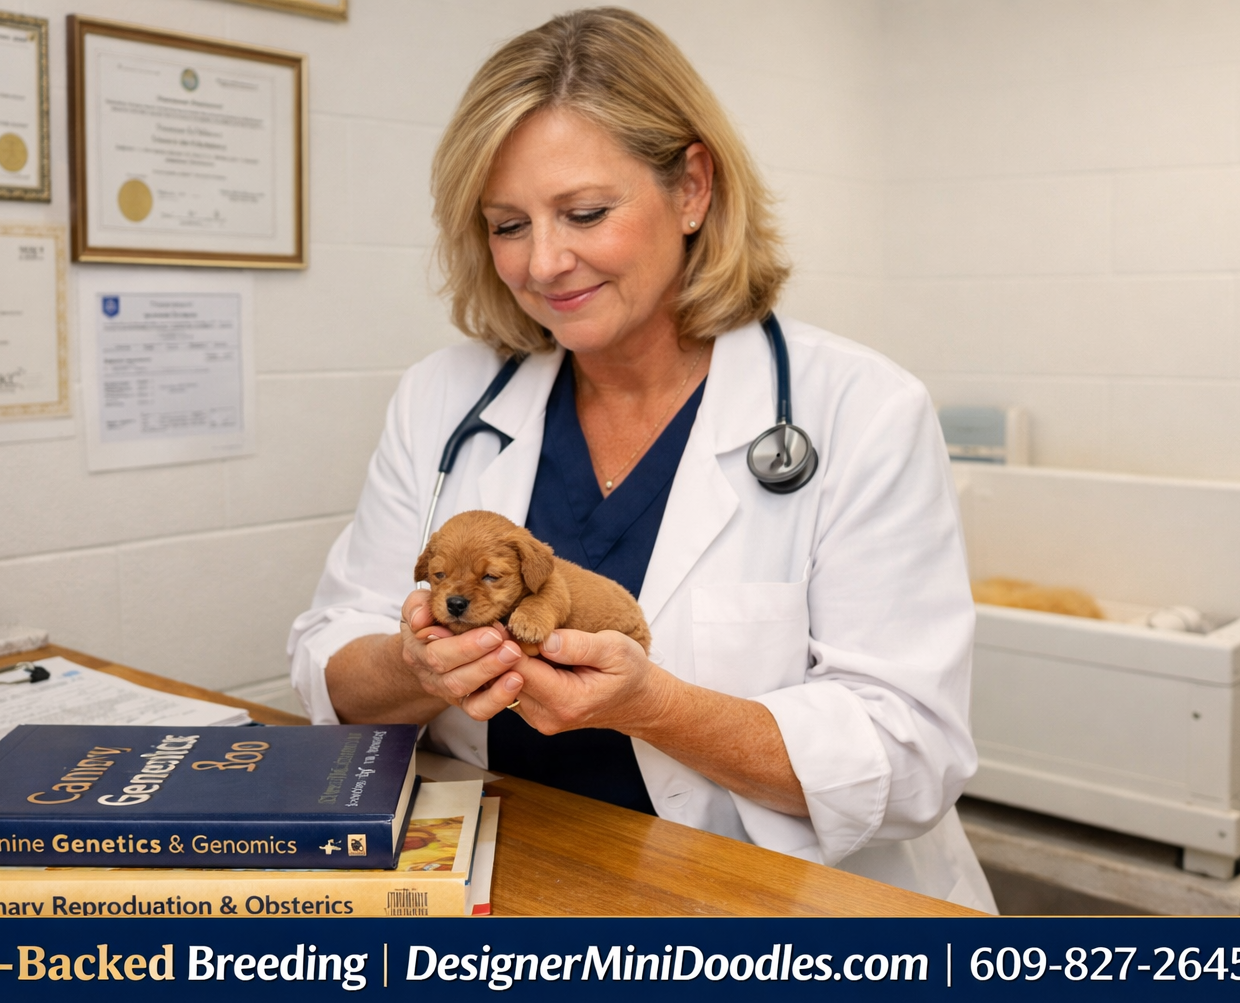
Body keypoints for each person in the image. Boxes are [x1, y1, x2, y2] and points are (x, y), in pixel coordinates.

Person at [289, 8, 996, 912]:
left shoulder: (861, 408)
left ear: (693, 188)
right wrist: (412, 666)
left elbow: (910, 759)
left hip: (770, 906)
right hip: (510, 887)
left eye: (585, 213)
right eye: (508, 225)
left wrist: (649, 704)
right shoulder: (444, 397)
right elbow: (327, 663)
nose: (544, 263)